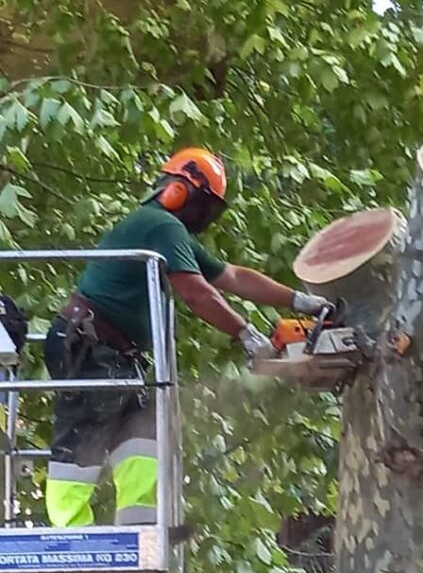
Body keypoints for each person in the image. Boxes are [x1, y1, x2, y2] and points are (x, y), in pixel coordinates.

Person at [43, 148, 329, 528]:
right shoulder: (160, 224)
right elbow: (196, 293)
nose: (205, 217)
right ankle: (68, 535)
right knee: (82, 436)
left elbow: (233, 277)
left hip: (115, 353)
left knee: (143, 438)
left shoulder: (169, 233)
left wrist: (300, 300)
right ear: (179, 190)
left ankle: (140, 531)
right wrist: (245, 334)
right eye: (205, 205)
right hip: (90, 344)